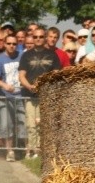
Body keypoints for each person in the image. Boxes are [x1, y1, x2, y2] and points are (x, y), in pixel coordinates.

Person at [18, 25, 62, 159]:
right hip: (30, 95)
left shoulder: (52, 55)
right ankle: (32, 150)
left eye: (41, 37)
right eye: (35, 37)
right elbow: (21, 75)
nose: (38, 39)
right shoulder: (26, 55)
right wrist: (30, 86)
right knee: (31, 124)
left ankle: (41, 150)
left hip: (46, 96)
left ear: (45, 38)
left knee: (43, 124)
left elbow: (56, 74)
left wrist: (47, 87)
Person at [0, 34, 25, 161]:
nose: (11, 46)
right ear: (5, 44)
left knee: (23, 123)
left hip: (20, 95)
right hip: (5, 96)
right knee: (6, 124)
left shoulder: (21, 56)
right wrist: (4, 85)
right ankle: (9, 151)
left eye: (14, 44)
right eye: (9, 43)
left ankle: (25, 151)